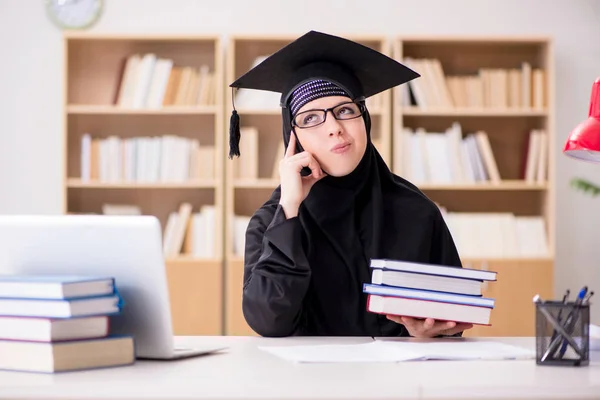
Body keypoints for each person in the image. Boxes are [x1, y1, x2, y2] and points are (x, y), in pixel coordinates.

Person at [228, 31, 473, 338]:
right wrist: (289, 209)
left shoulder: (418, 213)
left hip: (400, 382)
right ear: (292, 138)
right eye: (311, 118)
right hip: (308, 384)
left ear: (365, 119)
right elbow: (268, 321)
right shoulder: (271, 223)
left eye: (344, 111)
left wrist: (432, 333)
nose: (334, 128)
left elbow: (453, 321)